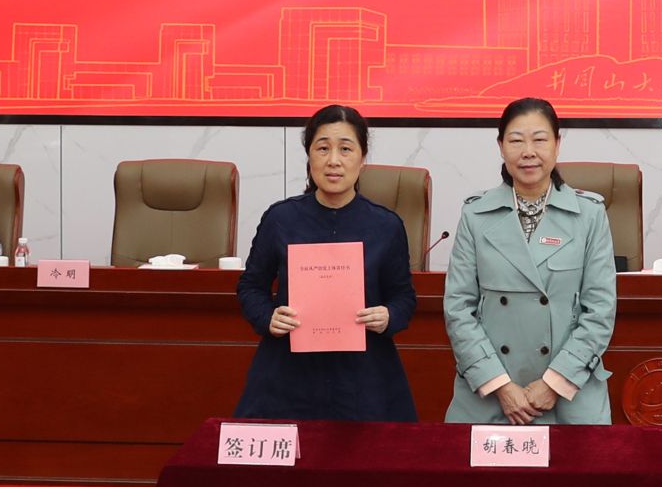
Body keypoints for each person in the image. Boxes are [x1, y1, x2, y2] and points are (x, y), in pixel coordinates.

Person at [234, 105, 418, 421]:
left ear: (362, 159)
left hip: (364, 375)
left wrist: (388, 316)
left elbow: (404, 297)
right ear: (309, 156)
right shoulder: (281, 218)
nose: (333, 160)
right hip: (289, 372)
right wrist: (268, 317)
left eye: (345, 149)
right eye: (322, 148)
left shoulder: (386, 225)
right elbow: (251, 287)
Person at [445, 97, 617, 425]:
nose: (528, 152)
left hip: (570, 395)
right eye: (516, 141)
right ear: (500, 146)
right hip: (490, 395)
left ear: (557, 145)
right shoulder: (475, 215)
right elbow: (458, 309)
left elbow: (600, 310)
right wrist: (501, 386)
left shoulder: (589, 215)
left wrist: (554, 383)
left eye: (539, 140)